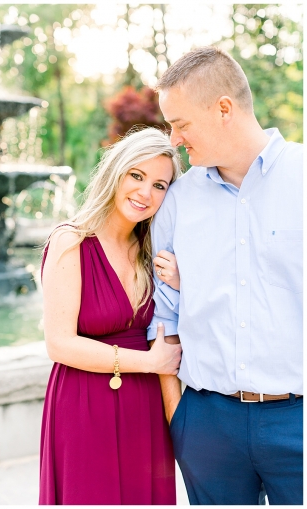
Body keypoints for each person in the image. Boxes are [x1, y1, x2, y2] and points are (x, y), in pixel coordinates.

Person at [149, 46, 303, 505]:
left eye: (181, 123)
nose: (174, 139)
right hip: (207, 426)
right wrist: (182, 419)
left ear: (223, 109)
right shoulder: (178, 199)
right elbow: (166, 317)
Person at [39, 127, 184, 505]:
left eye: (159, 185)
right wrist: (150, 362)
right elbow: (59, 343)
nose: (145, 193)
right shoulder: (71, 241)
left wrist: (185, 285)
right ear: (115, 173)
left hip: (146, 409)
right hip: (84, 405)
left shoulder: (155, 251)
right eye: (136, 176)